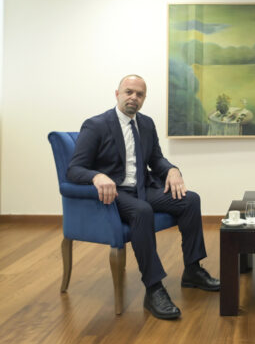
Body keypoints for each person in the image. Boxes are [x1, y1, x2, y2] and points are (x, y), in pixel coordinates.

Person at [67, 74, 219, 320]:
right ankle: (154, 288)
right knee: (142, 210)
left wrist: (172, 169)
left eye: (139, 94)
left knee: (190, 200)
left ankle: (193, 270)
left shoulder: (146, 124)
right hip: (115, 193)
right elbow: (74, 169)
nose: (133, 97)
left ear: (144, 99)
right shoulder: (96, 125)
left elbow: (156, 159)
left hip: (143, 187)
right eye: (128, 92)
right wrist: (97, 176)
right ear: (117, 94)